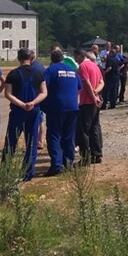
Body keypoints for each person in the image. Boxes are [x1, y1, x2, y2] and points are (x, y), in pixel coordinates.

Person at [4, 48, 47, 182]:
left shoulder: (13, 74)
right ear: (31, 59)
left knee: (11, 141)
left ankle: (5, 170)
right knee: (31, 142)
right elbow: (44, 92)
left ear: (19, 58)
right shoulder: (39, 73)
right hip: (33, 110)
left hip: (18, 110)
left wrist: (22, 104)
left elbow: (8, 94)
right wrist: (32, 103)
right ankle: (28, 173)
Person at [41, 47, 81, 176]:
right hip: (73, 106)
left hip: (56, 107)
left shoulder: (50, 70)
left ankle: (57, 165)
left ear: (52, 59)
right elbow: (79, 87)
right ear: (63, 59)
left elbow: (43, 87)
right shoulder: (72, 70)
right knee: (69, 136)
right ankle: (68, 162)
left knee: (54, 135)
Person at [75, 48, 104, 165]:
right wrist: (96, 93)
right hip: (95, 101)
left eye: (76, 57)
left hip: (87, 102)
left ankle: (85, 157)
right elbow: (102, 82)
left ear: (80, 56)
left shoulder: (82, 66)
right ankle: (97, 154)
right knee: (94, 127)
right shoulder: (95, 65)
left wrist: (93, 97)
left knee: (83, 130)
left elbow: (86, 83)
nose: (76, 60)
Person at [103, 44, 120, 109]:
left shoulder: (110, 59)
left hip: (110, 77)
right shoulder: (116, 59)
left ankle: (105, 104)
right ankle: (113, 104)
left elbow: (109, 68)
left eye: (110, 52)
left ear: (112, 53)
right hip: (116, 76)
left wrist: (104, 73)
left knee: (107, 91)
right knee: (114, 90)